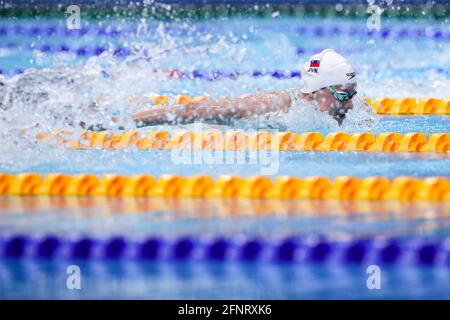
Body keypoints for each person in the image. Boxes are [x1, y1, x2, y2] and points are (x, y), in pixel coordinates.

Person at [132, 49, 359, 127]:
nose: (349, 104)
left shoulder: (350, 110)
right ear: (314, 92)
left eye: (351, 94)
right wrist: (130, 121)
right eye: (341, 95)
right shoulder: (276, 105)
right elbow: (194, 111)